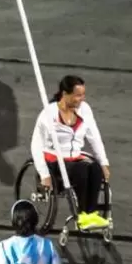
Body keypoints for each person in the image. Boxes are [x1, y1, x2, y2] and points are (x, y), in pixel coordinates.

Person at [31, 75, 110, 229]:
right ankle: (82, 214)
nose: (81, 99)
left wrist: (104, 162)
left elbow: (94, 137)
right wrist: (44, 174)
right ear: (65, 94)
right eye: (77, 95)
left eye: (83, 95)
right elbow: (36, 144)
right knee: (82, 169)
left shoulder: (85, 110)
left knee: (94, 168)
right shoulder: (48, 115)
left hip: (75, 158)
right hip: (54, 161)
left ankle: (90, 213)